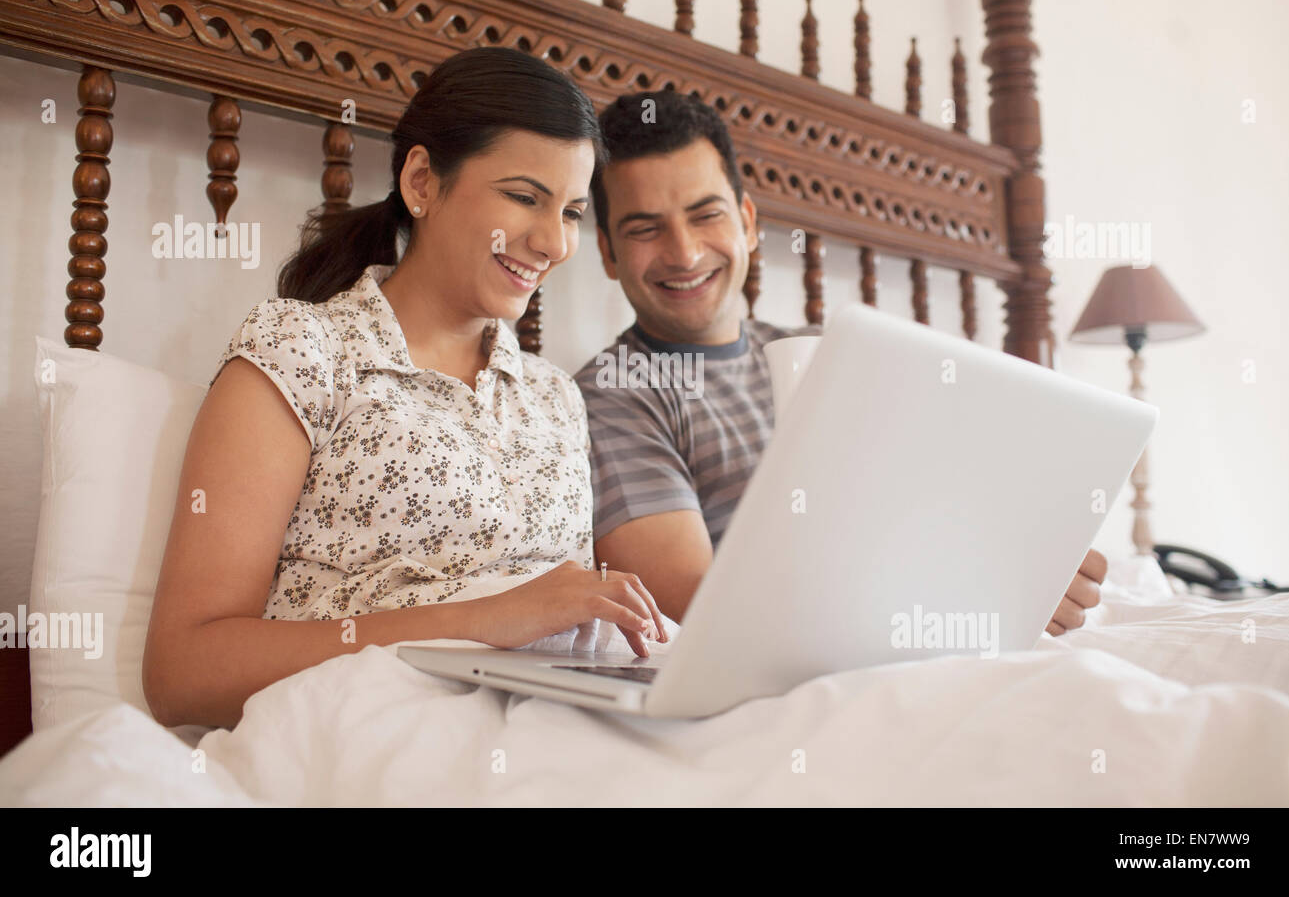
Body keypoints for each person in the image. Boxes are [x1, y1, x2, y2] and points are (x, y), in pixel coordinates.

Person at [144, 48, 667, 731]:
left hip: (563, 730)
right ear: (422, 180)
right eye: (522, 197)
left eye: (571, 210)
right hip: (376, 736)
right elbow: (182, 672)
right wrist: (480, 622)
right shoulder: (302, 352)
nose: (553, 242)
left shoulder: (553, 399)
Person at [576, 89, 1107, 629]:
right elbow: (695, 607)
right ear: (608, 252)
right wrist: (975, 590)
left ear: (748, 221)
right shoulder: (612, 395)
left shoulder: (834, 352)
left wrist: (1024, 557)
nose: (684, 253)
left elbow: (942, 502)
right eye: (644, 228)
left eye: (705, 214)